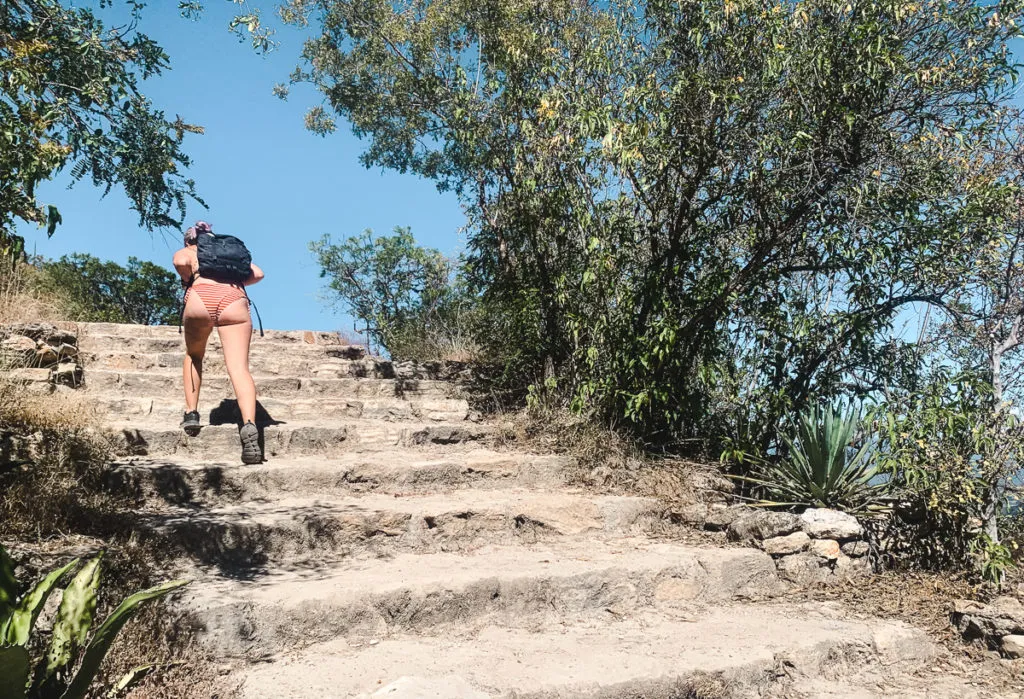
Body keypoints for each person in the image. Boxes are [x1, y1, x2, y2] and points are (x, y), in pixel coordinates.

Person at [173, 221, 265, 464]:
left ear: (189, 240)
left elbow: (179, 261)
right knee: (239, 369)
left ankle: (191, 413)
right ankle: (248, 424)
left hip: (200, 297)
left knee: (194, 356)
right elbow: (258, 273)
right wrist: (235, 281)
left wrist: (187, 278)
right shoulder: (226, 256)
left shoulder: (191, 251)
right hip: (234, 300)